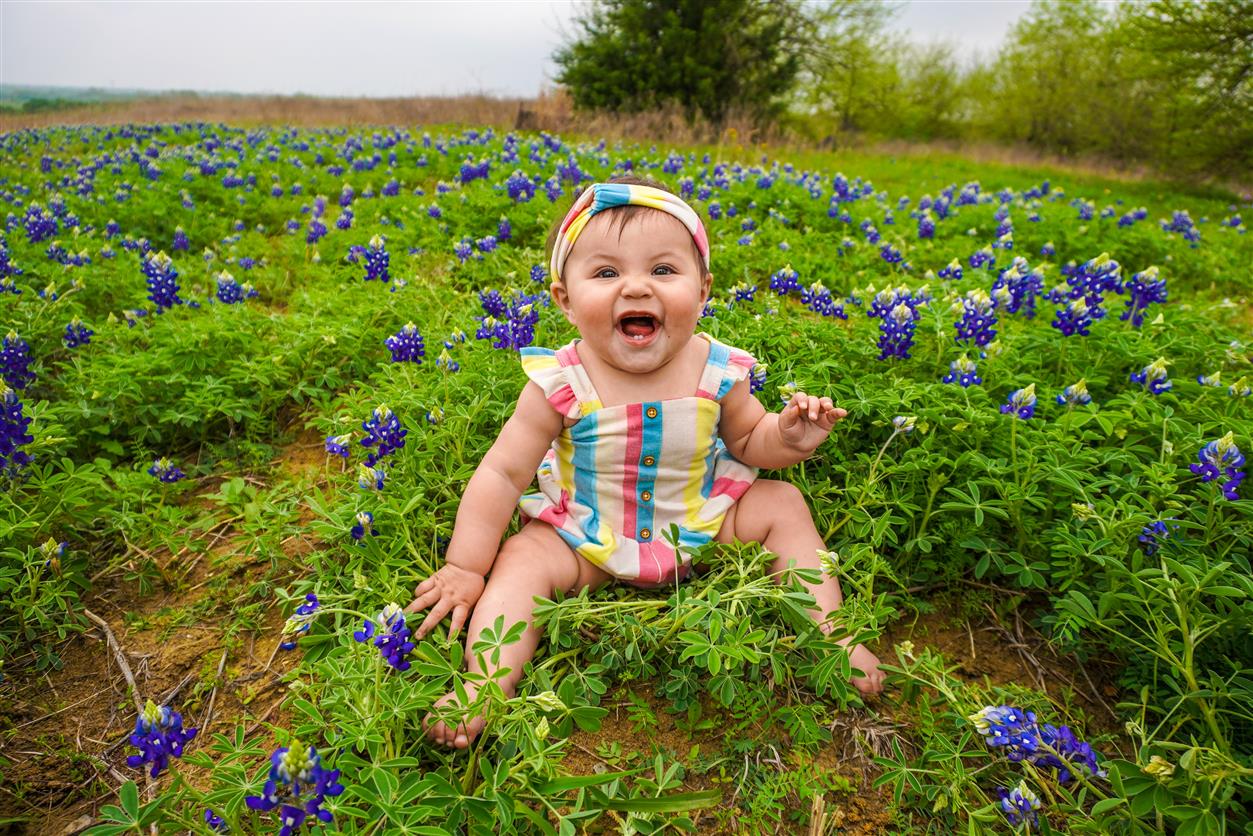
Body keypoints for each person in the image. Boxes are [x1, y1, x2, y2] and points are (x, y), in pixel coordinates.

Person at [407, 175, 885, 749]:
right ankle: (486, 681)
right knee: (521, 559)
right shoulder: (560, 382)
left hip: (700, 522)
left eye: (663, 270)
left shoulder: (717, 369)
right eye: (606, 273)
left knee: (781, 502)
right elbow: (503, 473)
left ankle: (831, 638)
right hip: (587, 534)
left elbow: (750, 442)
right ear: (564, 298)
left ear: (703, 291)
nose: (636, 287)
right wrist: (465, 565)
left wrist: (789, 435)